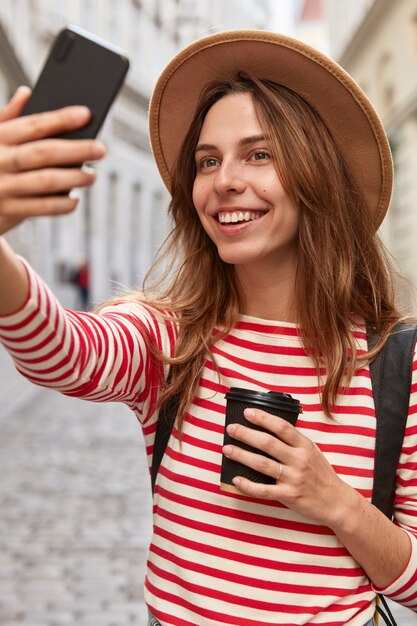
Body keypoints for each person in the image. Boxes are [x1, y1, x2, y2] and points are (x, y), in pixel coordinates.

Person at [0, 30, 416, 626]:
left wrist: (335, 502)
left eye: (259, 154)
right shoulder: (173, 339)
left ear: (316, 174)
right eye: (207, 161)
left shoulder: (395, 363)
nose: (223, 180)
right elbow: (61, 352)